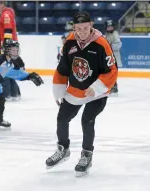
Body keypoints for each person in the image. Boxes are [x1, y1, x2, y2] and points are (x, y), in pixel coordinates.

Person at [45, 11, 118, 177]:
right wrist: (59, 90)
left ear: (91, 25)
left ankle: (86, 155)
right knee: (62, 119)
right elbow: (63, 68)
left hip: (97, 93)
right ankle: (63, 149)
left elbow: (112, 70)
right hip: (76, 89)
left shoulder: (101, 43)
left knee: (87, 120)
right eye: (78, 28)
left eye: (85, 27)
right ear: (74, 28)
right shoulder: (70, 42)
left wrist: (97, 87)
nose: (82, 31)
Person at [0, 0, 23, 101]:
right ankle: (14, 93)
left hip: (7, 48)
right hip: (9, 47)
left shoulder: (5, 15)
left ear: (1, 4)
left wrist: (5, 47)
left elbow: (8, 31)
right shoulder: (6, 14)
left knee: (3, 71)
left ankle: (7, 94)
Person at [105, 20, 122, 96]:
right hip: (109, 58)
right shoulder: (106, 35)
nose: (109, 28)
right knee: (109, 73)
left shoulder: (115, 34)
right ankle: (111, 87)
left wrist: (109, 46)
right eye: (108, 27)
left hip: (115, 58)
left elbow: (118, 45)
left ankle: (114, 88)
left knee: (113, 73)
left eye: (110, 27)